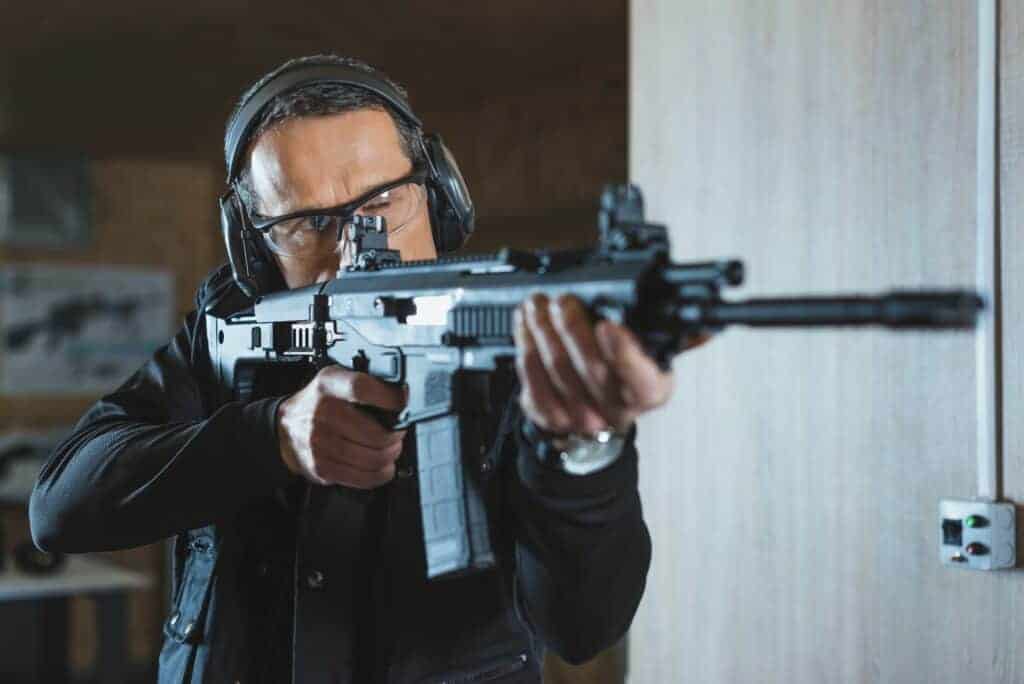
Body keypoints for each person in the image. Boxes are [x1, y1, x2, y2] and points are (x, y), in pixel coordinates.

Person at [29, 55, 689, 683]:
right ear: (253, 250)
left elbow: (585, 627)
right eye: (309, 222)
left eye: (379, 204)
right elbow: (59, 508)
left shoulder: (511, 346)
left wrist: (581, 446)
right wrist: (270, 437)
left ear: (439, 196)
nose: (352, 251)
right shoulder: (227, 334)